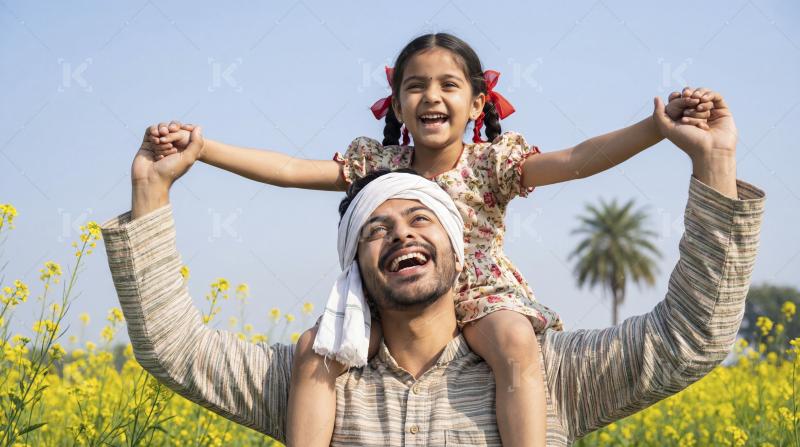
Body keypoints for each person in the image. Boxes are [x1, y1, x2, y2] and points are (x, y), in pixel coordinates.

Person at [102, 87, 764, 446]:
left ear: (461, 247)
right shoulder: (318, 376)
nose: (399, 234)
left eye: (421, 220)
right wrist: (152, 191)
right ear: (356, 264)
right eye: (375, 229)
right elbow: (174, 347)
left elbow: (692, 339)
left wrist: (715, 165)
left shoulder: (547, 373)